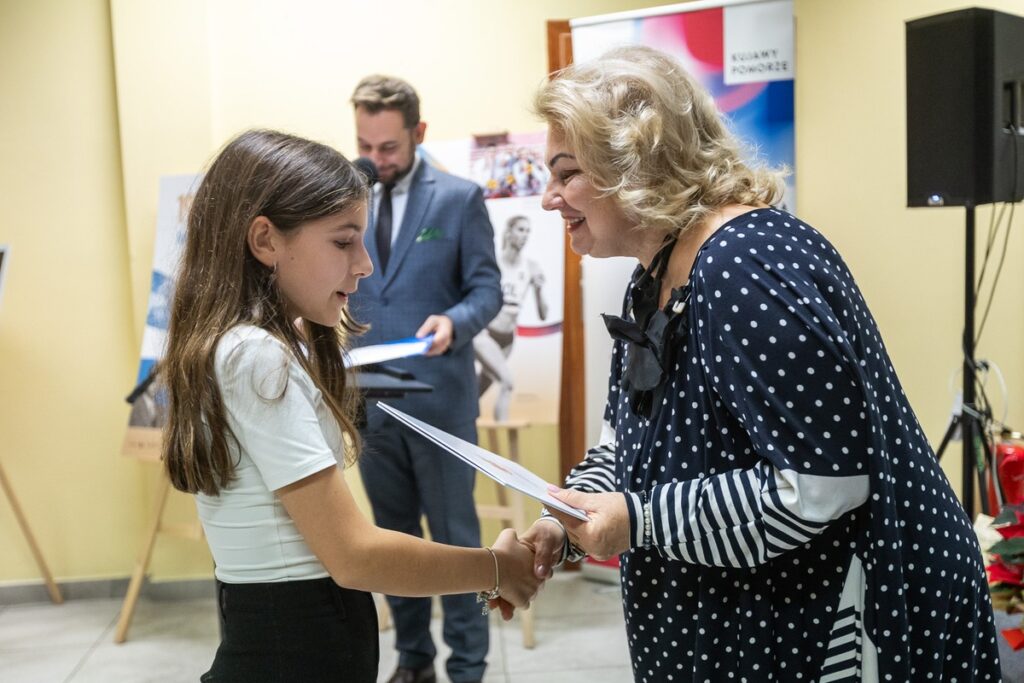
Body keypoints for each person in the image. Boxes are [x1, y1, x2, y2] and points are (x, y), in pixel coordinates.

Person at [508, 45, 1002, 682]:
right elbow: (624, 439)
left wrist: (641, 521)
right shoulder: (652, 277)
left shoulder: (747, 265)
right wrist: (563, 521)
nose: (550, 199)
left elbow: (824, 486)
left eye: (566, 172)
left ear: (638, 162)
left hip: (836, 622)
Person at [161, 129, 539, 683]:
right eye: (343, 242)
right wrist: (495, 568)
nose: (364, 265)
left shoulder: (250, 344)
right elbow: (355, 554)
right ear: (265, 240)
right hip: (296, 648)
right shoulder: (256, 356)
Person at [348, 76, 502, 683]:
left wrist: (455, 321)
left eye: (387, 148)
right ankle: (414, 662)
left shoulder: (458, 199)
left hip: (440, 402)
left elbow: (488, 290)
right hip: (369, 405)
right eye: (365, 145)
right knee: (392, 543)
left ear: (418, 133)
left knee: (456, 543)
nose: (375, 160)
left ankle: (469, 668)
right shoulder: (348, 196)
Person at [474, 215, 548, 422]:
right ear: (509, 232)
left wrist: (539, 289)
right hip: (485, 333)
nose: (524, 236)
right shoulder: (493, 262)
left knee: (478, 391)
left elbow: (543, 315)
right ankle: (506, 443)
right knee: (507, 383)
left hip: (507, 339)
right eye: (520, 230)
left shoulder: (531, 266)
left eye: (527, 231)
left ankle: (451, 427)